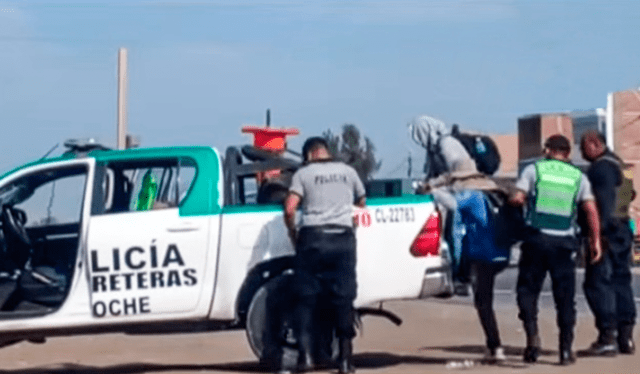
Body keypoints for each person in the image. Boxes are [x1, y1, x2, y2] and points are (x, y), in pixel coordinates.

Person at [509, 134, 602, 365]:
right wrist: (596, 241)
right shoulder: (578, 177)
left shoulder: (534, 170)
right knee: (565, 299)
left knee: (527, 292)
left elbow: (518, 198)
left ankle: (532, 339)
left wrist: (513, 199)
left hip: (536, 241)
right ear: (568, 153)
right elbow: (591, 210)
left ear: (547, 150)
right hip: (564, 244)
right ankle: (565, 350)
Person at [283, 137, 366, 374]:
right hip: (342, 239)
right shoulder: (348, 172)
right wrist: (352, 226)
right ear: (326, 151)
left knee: (305, 299)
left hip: (313, 239)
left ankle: (306, 358)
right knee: (344, 299)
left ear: (308, 155)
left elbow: (290, 207)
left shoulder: (303, 174)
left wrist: (293, 232)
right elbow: (362, 202)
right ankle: (345, 361)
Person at [580, 131, 636, 356]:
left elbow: (602, 201)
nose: (582, 153)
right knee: (622, 281)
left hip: (607, 232)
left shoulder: (601, 168)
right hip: (622, 229)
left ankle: (607, 337)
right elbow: (630, 194)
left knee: (597, 283)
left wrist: (596, 236)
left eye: (583, 147)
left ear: (595, 144)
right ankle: (626, 338)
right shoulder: (621, 165)